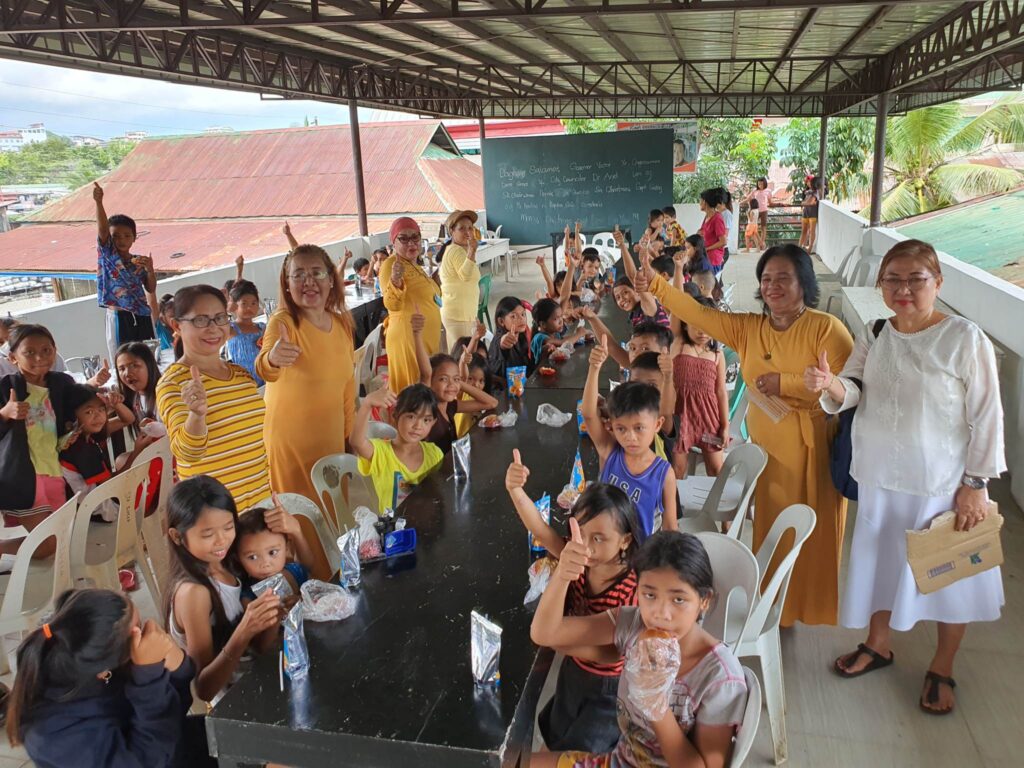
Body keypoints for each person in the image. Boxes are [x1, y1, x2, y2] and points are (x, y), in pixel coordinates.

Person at [805, 239, 1006, 714]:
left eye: (916, 279)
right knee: (880, 565)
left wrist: (975, 484)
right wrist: (831, 385)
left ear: (938, 282)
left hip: (938, 484)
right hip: (879, 478)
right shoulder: (877, 332)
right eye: (893, 279)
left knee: (948, 574)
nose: (903, 289)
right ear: (880, 285)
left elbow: (987, 415)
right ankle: (878, 644)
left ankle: (942, 665)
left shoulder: (963, 337)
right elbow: (853, 387)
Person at [633, 244, 854, 626]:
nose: (773, 286)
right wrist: (656, 284)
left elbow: (850, 387)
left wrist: (787, 382)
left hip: (813, 447)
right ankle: (776, 611)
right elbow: (697, 312)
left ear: (805, 282)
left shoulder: (826, 328)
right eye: (766, 279)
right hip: (769, 450)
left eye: (784, 278)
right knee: (771, 531)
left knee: (810, 534)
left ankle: (808, 608)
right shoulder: (750, 327)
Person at [529, 531, 747, 768]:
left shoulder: (719, 679)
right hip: (618, 761)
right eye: (650, 595)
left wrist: (657, 707)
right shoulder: (633, 625)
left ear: (704, 600)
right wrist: (563, 573)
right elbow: (545, 633)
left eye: (678, 600)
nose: (660, 614)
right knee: (510, 762)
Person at [506, 459, 641, 753]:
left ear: (625, 541)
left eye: (599, 538)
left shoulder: (630, 590)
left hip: (606, 688)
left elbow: (610, 655)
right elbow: (541, 532)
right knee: (556, 740)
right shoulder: (577, 553)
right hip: (574, 673)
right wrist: (516, 491)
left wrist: (559, 643)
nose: (587, 547)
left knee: (582, 753)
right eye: (581, 533)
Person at [6, 588, 206, 768]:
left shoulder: (96, 665)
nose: (148, 630)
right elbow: (147, 759)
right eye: (138, 628)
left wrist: (178, 666)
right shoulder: (54, 735)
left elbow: (173, 716)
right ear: (104, 670)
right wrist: (149, 676)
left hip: (165, 746)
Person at [254, 244, 356, 575]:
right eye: (298, 274)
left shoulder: (342, 324)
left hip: (328, 440)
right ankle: (311, 586)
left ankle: (337, 576)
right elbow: (266, 364)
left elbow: (347, 386)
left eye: (316, 273)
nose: (307, 281)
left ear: (331, 280)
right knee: (301, 520)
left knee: (332, 514)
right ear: (287, 283)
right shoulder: (284, 322)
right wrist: (271, 359)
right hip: (290, 443)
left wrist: (349, 438)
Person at [164, 476, 282, 704]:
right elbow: (205, 690)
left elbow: (257, 646)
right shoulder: (193, 594)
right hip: (235, 703)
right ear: (177, 536)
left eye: (229, 527)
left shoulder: (229, 560)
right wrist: (245, 630)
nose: (222, 541)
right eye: (208, 534)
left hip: (257, 675)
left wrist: (272, 615)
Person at [156, 286, 271, 511]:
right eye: (200, 320)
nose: (213, 328)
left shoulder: (241, 375)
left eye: (220, 318)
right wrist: (196, 415)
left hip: (260, 506)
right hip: (214, 517)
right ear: (177, 325)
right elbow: (187, 452)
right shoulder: (174, 383)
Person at [0, 324, 78, 557]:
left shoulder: (62, 383)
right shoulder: (6, 387)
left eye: (46, 350)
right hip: (23, 477)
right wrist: (6, 412)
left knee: (62, 536)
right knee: (48, 544)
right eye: (29, 352)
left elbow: (79, 408)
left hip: (54, 471)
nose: (40, 357)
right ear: (13, 358)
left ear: (55, 350)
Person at [583, 348, 677, 541]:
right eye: (621, 429)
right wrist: (594, 368)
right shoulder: (609, 452)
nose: (630, 438)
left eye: (639, 428)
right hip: (604, 550)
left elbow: (670, 527)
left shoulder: (664, 474)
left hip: (639, 558)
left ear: (657, 424)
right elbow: (589, 414)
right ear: (611, 426)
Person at [412, 307, 497, 454]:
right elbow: (426, 373)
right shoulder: (427, 409)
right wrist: (417, 334)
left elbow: (491, 403)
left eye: (455, 379)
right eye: (443, 379)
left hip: (451, 468)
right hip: (431, 474)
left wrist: (459, 383)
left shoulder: (450, 406)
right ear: (430, 383)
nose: (451, 384)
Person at [352, 385, 444, 515]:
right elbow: (357, 442)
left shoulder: (434, 454)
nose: (418, 426)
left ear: (433, 423)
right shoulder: (381, 452)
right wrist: (367, 404)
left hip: (426, 524)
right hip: (394, 530)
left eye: (426, 420)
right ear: (395, 416)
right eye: (411, 417)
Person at [93, 182, 156, 363]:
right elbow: (103, 229)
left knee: (148, 360)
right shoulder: (107, 255)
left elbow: (150, 289)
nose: (122, 240)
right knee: (123, 362)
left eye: (127, 235)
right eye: (116, 236)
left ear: (134, 237)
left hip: (142, 315)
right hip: (120, 316)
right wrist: (99, 202)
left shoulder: (139, 261)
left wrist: (150, 270)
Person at [379, 217, 443, 392]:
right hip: (407, 338)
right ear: (393, 242)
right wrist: (395, 280)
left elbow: (427, 296)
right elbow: (392, 304)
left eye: (415, 237)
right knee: (412, 394)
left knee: (425, 390)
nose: (411, 243)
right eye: (404, 238)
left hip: (424, 338)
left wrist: (435, 283)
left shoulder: (414, 264)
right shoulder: (391, 265)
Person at [671, 299, 729, 481]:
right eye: (695, 324)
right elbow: (676, 308)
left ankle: (716, 507)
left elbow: (721, 392)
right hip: (680, 418)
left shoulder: (717, 356)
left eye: (707, 324)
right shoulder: (679, 346)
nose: (702, 331)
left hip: (709, 420)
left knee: (716, 469)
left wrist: (725, 426)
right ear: (685, 324)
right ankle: (675, 508)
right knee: (677, 471)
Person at [59, 384, 133, 522]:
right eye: (89, 412)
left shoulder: (87, 435)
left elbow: (128, 419)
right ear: (72, 418)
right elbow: (112, 486)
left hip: (93, 504)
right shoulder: (80, 449)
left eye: (101, 409)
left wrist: (116, 404)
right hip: (94, 513)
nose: (98, 416)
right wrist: (138, 450)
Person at [235, 502, 315, 604]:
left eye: (272, 552)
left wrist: (302, 601)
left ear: (286, 547)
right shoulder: (248, 597)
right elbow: (256, 618)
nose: (265, 563)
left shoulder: (298, 572)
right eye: (253, 557)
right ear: (238, 558)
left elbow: (318, 596)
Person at [439, 210, 483, 349]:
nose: (467, 232)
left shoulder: (459, 250)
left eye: (470, 228)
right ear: (452, 231)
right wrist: (472, 251)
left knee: (463, 359)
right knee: (464, 360)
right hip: (459, 317)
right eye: (461, 228)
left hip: (462, 315)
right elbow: (466, 275)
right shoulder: (456, 251)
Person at [225, 280, 266, 387]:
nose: (249, 307)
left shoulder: (262, 328)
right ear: (234, 306)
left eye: (254, 303)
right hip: (245, 384)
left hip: (267, 380)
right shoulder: (231, 329)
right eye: (244, 303)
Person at [486, 296, 534, 385]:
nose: (521, 319)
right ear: (501, 321)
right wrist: (503, 342)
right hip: (503, 392)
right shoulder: (500, 339)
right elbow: (501, 344)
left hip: (520, 386)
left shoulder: (521, 335)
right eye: (513, 316)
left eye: (523, 314)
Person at [697, 189, 728, 276]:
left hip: (713, 260)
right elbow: (703, 232)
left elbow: (723, 241)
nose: (699, 203)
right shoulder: (707, 216)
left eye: (700, 200)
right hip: (706, 258)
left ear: (705, 202)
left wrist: (706, 249)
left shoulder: (717, 218)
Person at [746, 177, 772, 248]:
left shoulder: (768, 191)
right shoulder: (755, 190)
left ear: (765, 184)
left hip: (764, 210)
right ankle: (759, 243)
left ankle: (762, 244)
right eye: (759, 183)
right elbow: (749, 198)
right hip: (755, 211)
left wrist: (777, 204)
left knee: (763, 227)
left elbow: (770, 202)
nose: (760, 185)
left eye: (762, 184)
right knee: (753, 227)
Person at [799, 176, 821, 254]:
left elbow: (810, 202)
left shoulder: (816, 192)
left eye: (810, 182)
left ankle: (810, 248)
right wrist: (806, 203)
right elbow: (808, 202)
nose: (808, 183)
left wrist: (805, 203)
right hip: (806, 213)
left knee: (812, 231)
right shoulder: (808, 192)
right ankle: (800, 246)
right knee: (804, 230)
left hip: (813, 214)